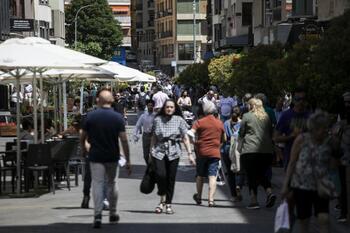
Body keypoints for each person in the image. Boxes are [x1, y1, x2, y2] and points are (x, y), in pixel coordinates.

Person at [80, 89, 131, 228]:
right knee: (112, 183)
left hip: (95, 155)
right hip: (112, 156)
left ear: (98, 100)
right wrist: (128, 160)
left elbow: (83, 136)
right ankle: (113, 212)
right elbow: (124, 140)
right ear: (112, 101)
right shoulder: (118, 118)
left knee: (97, 183)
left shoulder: (90, 117)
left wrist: (84, 150)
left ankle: (97, 215)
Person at [282, 111, 334, 233]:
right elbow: (292, 162)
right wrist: (285, 185)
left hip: (321, 186)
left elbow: (333, 165)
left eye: (327, 128)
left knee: (324, 218)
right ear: (315, 128)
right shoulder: (302, 139)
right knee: (304, 220)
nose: (326, 131)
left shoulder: (329, 141)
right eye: (323, 128)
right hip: (301, 185)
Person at [150, 99, 195, 214]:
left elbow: (185, 138)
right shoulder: (157, 120)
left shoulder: (179, 120)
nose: (169, 109)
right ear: (164, 108)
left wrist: (190, 154)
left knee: (171, 178)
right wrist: (151, 151)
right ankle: (162, 200)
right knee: (161, 175)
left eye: (171, 107)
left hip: (174, 152)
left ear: (175, 109)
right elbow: (154, 137)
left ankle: (167, 203)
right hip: (159, 151)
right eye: (167, 107)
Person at [238, 98, 276, 209]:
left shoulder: (247, 116)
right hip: (267, 151)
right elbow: (270, 132)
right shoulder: (266, 117)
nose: (247, 106)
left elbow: (241, 132)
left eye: (248, 105)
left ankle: (254, 200)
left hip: (250, 150)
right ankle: (269, 192)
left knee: (251, 176)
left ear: (252, 106)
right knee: (261, 174)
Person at [191, 101, 225, 207]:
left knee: (200, 175)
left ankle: (199, 197)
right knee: (212, 176)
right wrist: (218, 147)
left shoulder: (199, 122)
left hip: (201, 152)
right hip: (214, 153)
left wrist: (195, 143)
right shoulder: (219, 123)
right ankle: (211, 200)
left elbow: (191, 133)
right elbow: (224, 139)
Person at [274, 87, 310, 168]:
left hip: (308, 161)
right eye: (298, 99)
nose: (301, 102)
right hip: (291, 160)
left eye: (303, 99)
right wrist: (292, 136)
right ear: (293, 100)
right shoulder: (286, 115)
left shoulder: (310, 116)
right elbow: (275, 138)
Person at [332, 92, 350, 222]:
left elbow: (335, 138)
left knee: (342, 186)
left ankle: (344, 212)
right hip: (343, 158)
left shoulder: (341, 123)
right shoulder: (341, 122)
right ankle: (343, 211)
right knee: (342, 186)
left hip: (344, 159)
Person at [223, 108, 243, 201]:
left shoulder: (226, 123)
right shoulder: (243, 123)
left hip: (227, 148)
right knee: (239, 169)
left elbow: (223, 138)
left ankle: (233, 195)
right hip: (239, 148)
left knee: (230, 173)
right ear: (240, 115)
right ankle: (238, 185)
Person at [133, 100, 156, 164]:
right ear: (147, 106)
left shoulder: (156, 116)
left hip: (154, 136)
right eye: (149, 105)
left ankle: (152, 168)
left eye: (151, 105)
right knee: (145, 155)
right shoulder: (143, 116)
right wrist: (135, 135)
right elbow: (137, 125)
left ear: (153, 106)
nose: (150, 107)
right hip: (145, 136)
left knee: (153, 154)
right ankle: (149, 166)